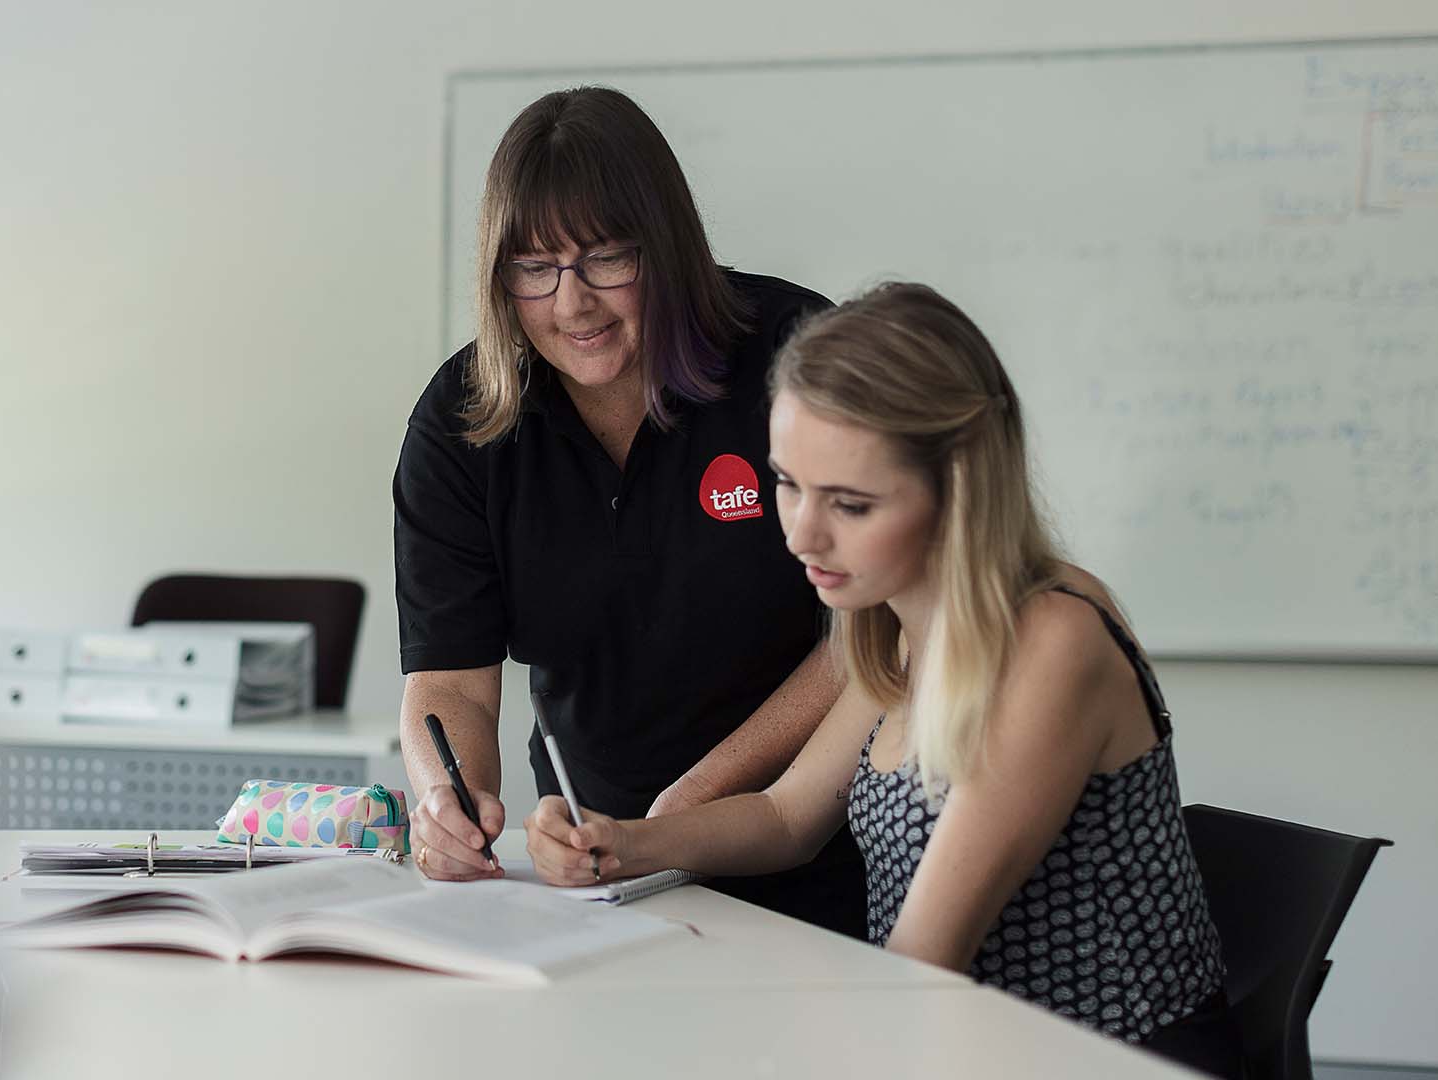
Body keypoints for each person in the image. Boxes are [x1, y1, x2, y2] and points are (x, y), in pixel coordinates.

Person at [525, 282, 1245, 1077]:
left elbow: (924, 959)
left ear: (960, 490)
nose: (801, 534)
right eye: (788, 483)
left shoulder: (1052, 640)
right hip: (950, 1040)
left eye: (853, 505)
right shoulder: (894, 619)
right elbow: (785, 816)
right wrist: (623, 843)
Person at [392, 85, 868, 938]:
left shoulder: (794, 355)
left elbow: (867, 631)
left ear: (668, 245)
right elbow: (449, 683)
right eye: (534, 269)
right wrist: (446, 802)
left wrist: (686, 807)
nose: (572, 304)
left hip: (822, 846)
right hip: (603, 874)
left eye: (607, 258)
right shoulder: (464, 420)